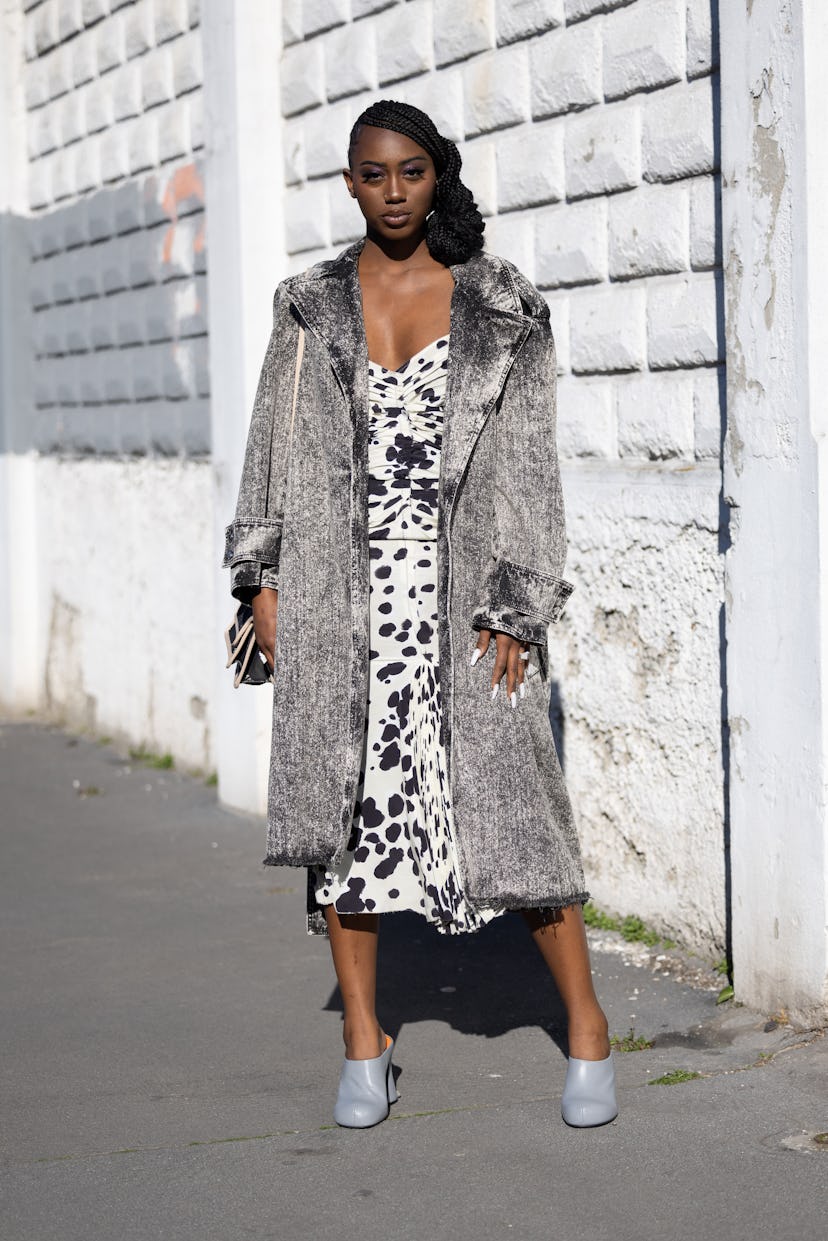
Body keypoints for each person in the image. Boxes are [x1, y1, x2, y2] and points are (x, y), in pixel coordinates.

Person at [223, 99, 617, 1130]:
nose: (391, 191)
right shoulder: (308, 305)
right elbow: (268, 445)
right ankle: (364, 1045)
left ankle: (586, 1025)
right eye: (371, 174)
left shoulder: (502, 309)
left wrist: (516, 604)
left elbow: (528, 468)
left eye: (409, 171)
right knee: (342, 831)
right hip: (339, 598)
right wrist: (263, 580)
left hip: (459, 604)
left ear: (436, 175)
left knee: (517, 813)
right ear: (348, 183)